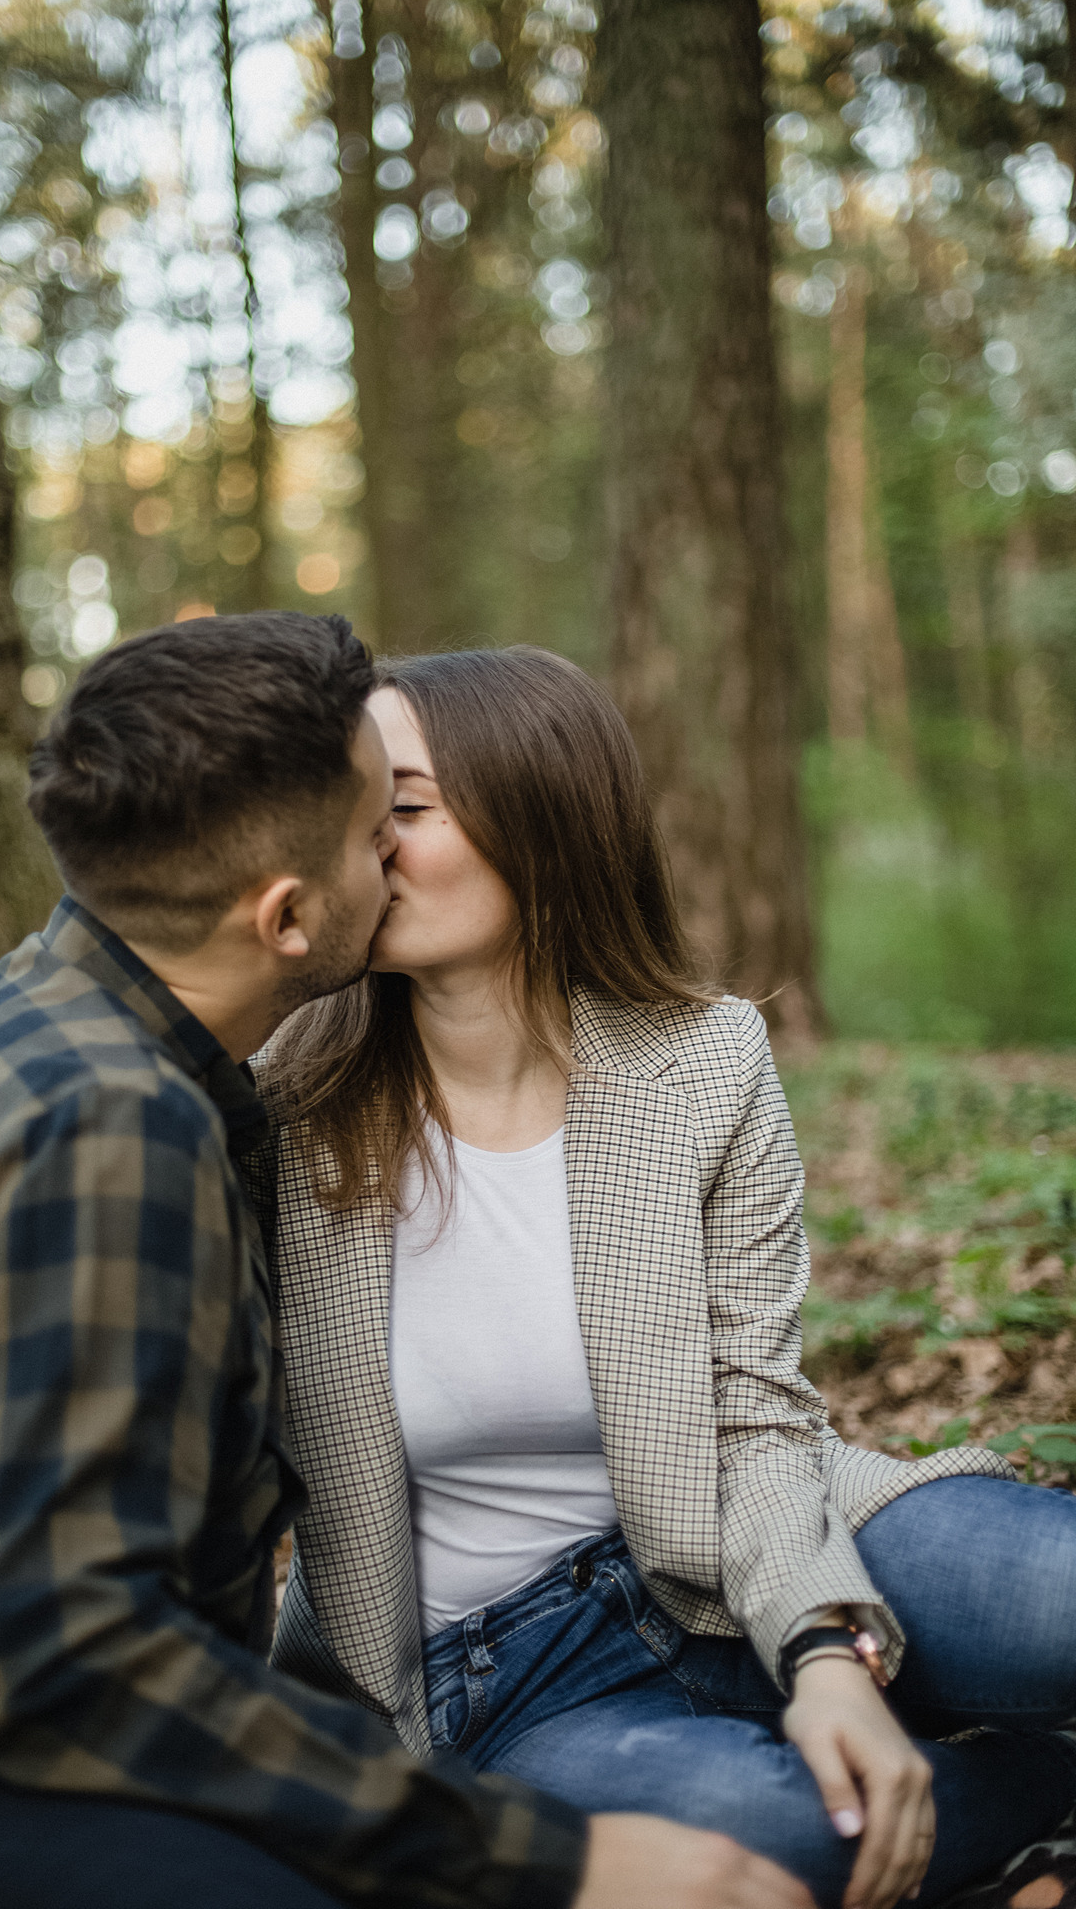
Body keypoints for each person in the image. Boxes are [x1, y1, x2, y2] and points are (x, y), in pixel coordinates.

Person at [0, 613, 813, 1909]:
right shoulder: (112, 1129)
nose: (398, 861)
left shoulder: (70, 1009)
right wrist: (552, 1861)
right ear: (287, 918)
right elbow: (67, 1662)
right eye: (371, 836)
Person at [254, 644, 1076, 1909]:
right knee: (780, 1843)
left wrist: (820, 1643)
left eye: (402, 809)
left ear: (537, 813)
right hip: (496, 1679)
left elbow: (754, 1413)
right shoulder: (281, 1111)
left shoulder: (700, 1062)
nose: (361, 846)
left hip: (742, 1536)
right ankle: (1029, 1804)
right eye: (350, 810)